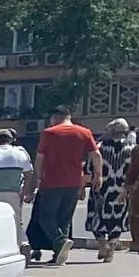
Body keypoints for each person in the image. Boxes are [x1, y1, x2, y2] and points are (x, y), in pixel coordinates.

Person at [28, 112, 99, 267]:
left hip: (52, 181)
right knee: (64, 219)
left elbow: (40, 158)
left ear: (55, 117)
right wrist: (98, 175)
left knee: (45, 217)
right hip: (74, 182)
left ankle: (60, 241)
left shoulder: (49, 133)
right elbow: (96, 155)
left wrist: (38, 179)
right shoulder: (84, 132)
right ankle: (60, 255)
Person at [94, 118, 136, 264]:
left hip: (102, 189)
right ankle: (111, 251)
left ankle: (102, 245)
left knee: (97, 217)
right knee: (118, 219)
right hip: (122, 190)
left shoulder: (100, 146)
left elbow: (90, 166)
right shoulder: (132, 147)